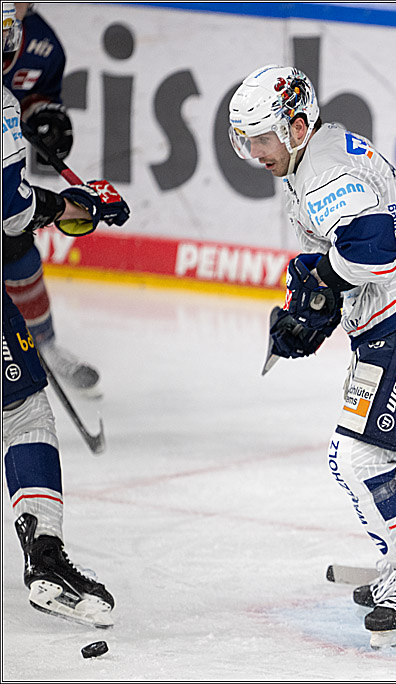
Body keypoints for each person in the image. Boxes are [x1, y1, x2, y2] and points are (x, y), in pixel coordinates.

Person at [227, 65, 396, 649]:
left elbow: (374, 252)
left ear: (295, 125)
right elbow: (345, 258)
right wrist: (310, 306)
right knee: (358, 457)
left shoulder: (322, 170)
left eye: (262, 137)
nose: (255, 151)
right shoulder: (316, 155)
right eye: (246, 141)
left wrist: (318, 284)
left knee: (363, 457)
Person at [3, 1, 129, 627]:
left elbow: (40, 108)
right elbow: (13, 218)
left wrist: (46, 122)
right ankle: (46, 557)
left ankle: (46, 341)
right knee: (23, 409)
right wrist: (77, 206)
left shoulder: (38, 52)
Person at [3, 2, 101, 396]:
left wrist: (47, 118)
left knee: (17, 245)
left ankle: (44, 344)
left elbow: (37, 99)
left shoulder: (44, 46)